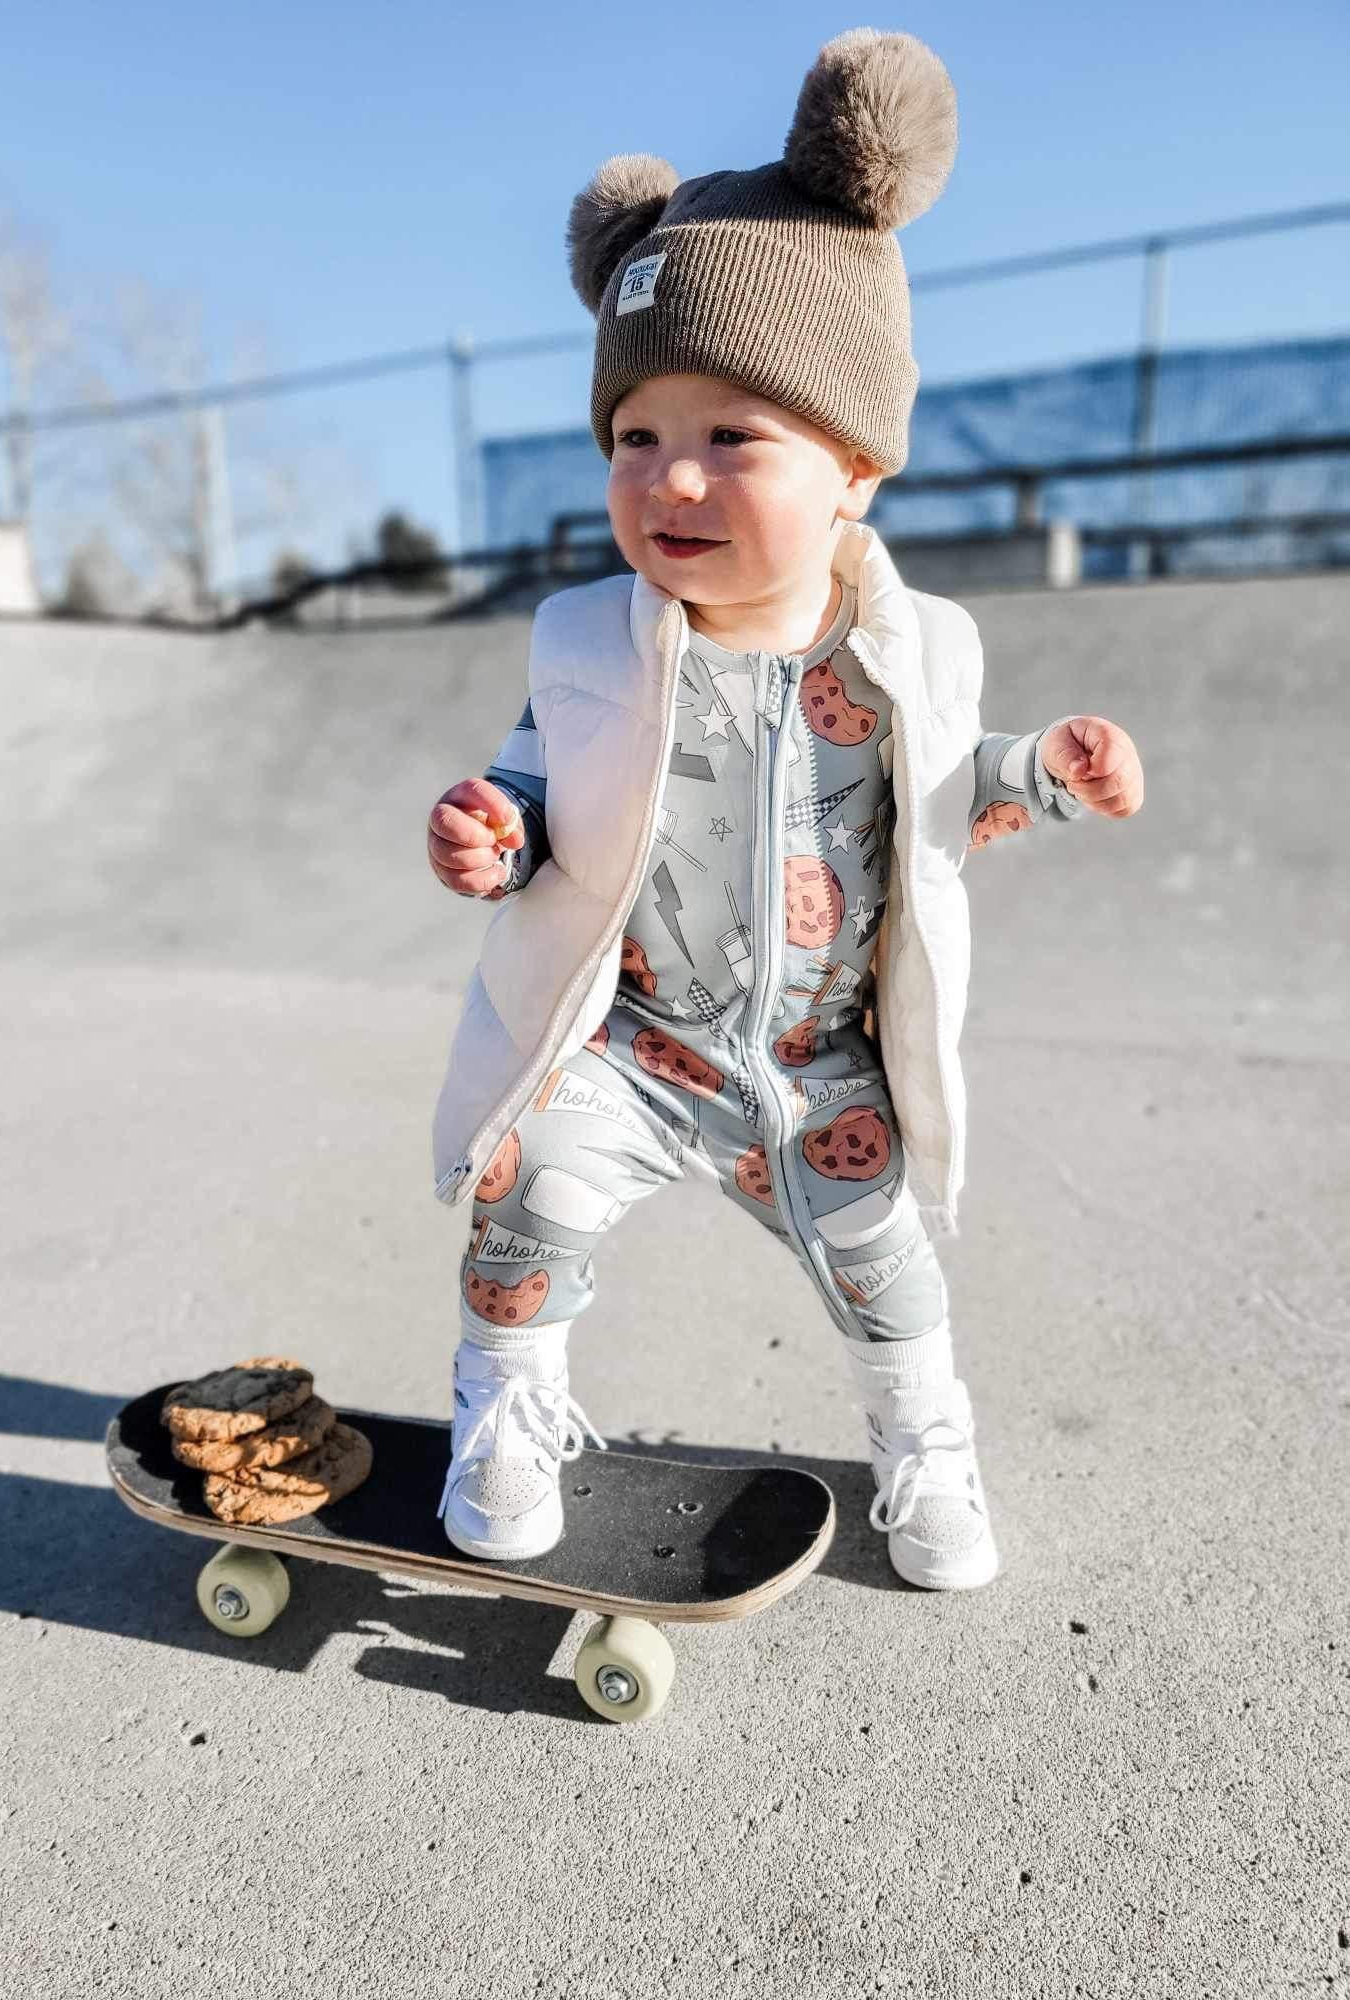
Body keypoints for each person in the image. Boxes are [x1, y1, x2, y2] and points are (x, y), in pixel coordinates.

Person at [423, 27, 1144, 1589]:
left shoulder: (914, 650)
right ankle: (509, 1408)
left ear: (856, 470)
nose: (669, 481)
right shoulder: (585, 638)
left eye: (728, 438)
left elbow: (959, 777)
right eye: (636, 439)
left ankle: (925, 1441)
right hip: (631, 1043)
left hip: (817, 1065)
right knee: (523, 1199)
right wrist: (493, 822)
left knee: (889, 1272)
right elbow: (540, 781)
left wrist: (1052, 773)